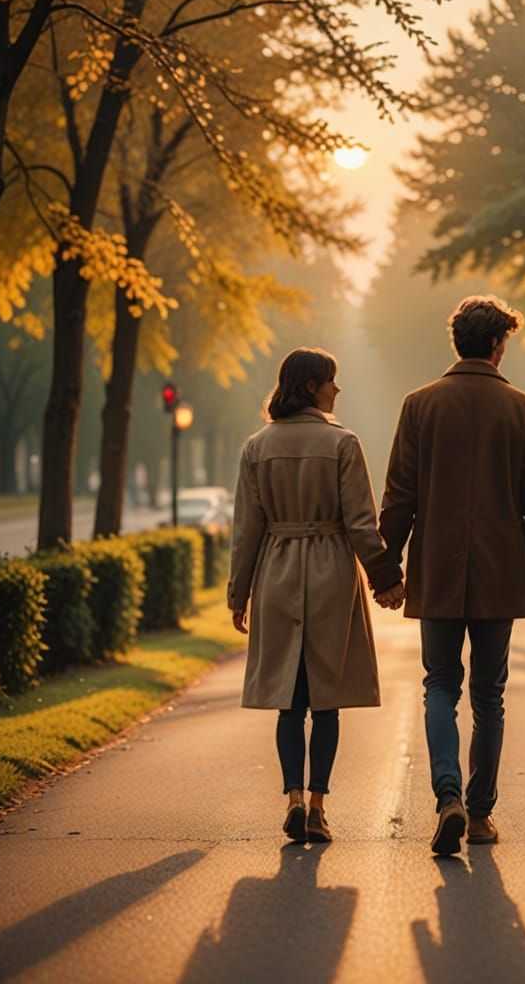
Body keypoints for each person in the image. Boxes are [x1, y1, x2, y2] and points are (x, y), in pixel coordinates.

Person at [380, 295, 525, 855]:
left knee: (439, 686)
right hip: (501, 571)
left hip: (439, 567)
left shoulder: (419, 405)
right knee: (490, 695)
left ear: (457, 341)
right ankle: (478, 815)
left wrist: (388, 569)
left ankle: (446, 795)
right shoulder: (524, 411)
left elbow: (399, 496)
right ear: (499, 345)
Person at [228, 347, 404, 845]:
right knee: (327, 699)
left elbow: (247, 531)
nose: (337, 389)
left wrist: (238, 594)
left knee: (290, 699)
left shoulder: (256, 448)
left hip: (278, 571)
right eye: (331, 380)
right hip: (329, 570)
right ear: (311, 387)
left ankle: (293, 799)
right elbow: (361, 525)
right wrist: (385, 577)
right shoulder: (343, 443)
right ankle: (320, 808)